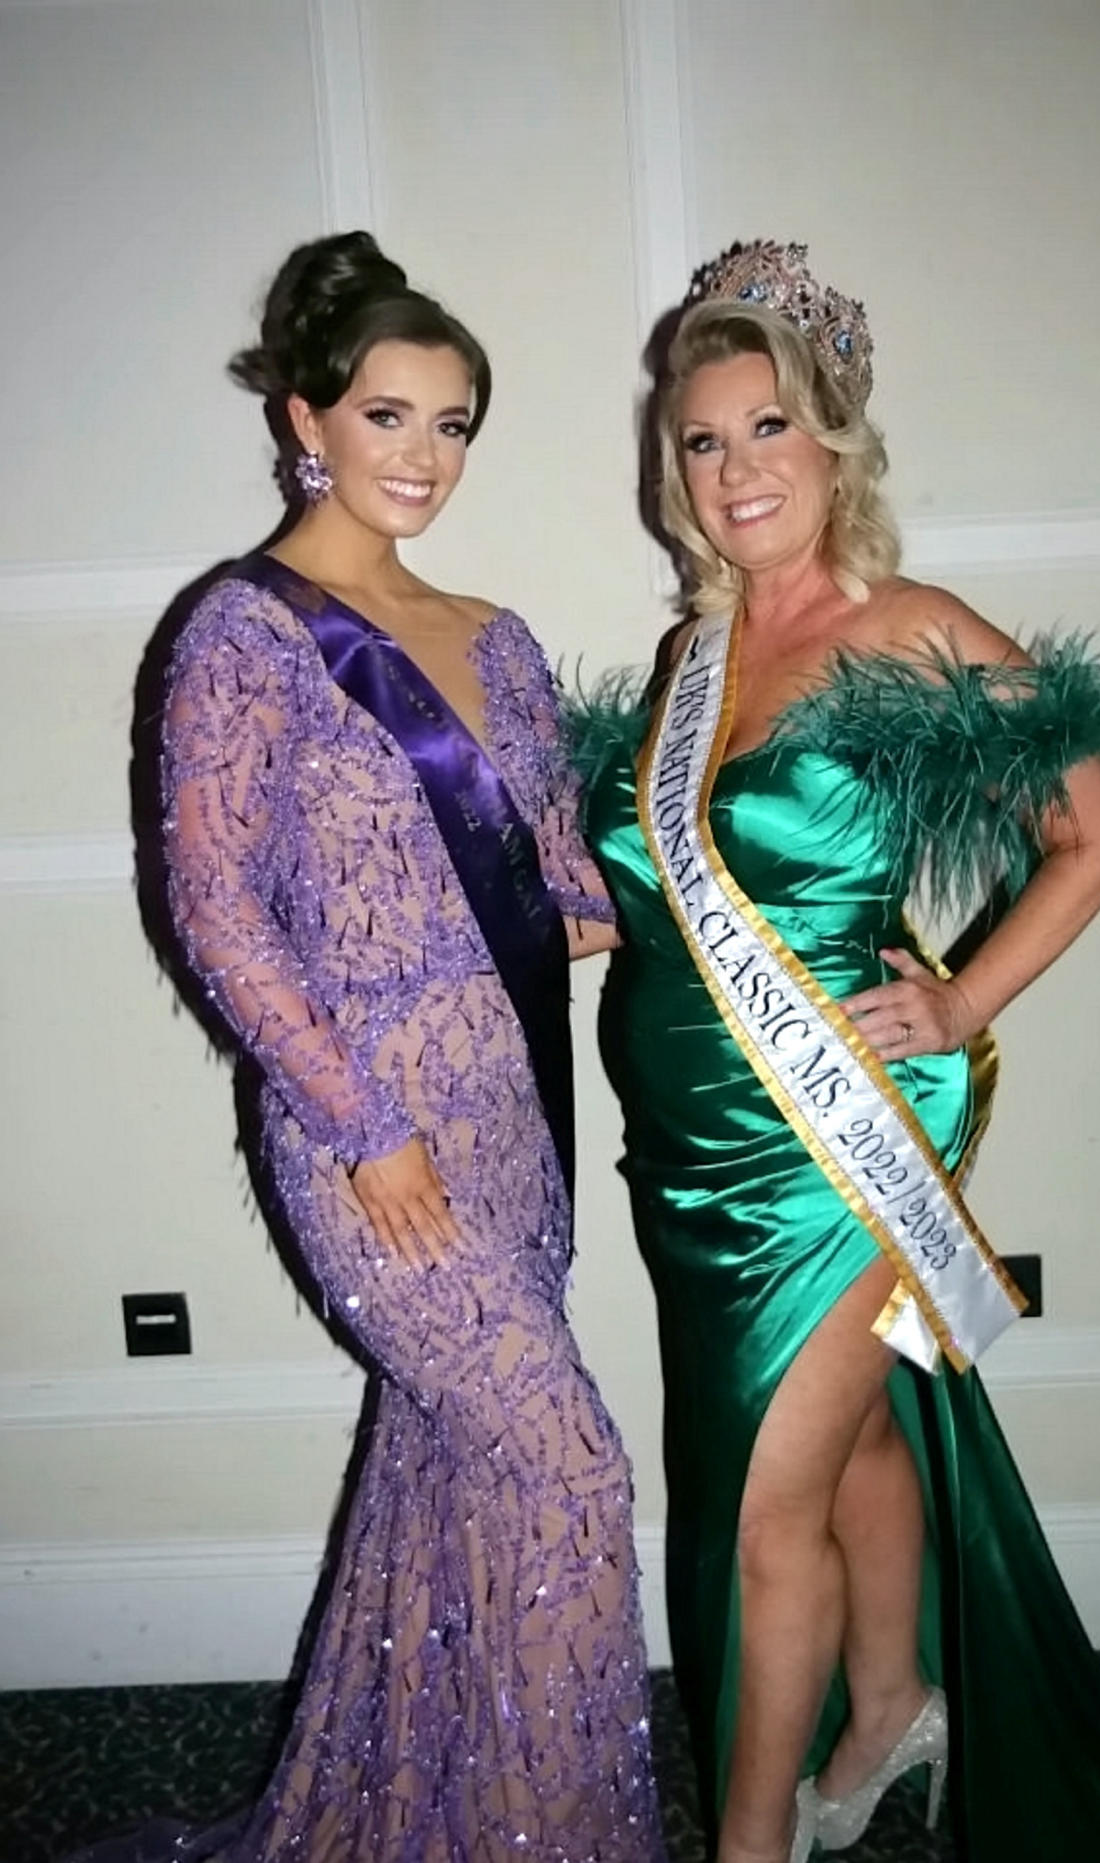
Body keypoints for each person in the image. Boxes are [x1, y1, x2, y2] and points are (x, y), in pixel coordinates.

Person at [572, 240, 1100, 1863]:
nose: (736, 470)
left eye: (768, 429)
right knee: (849, 1432)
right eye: (703, 439)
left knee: (755, 1505)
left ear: (835, 443)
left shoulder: (909, 626)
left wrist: (959, 1002)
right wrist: (613, 915)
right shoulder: (691, 656)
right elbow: (684, 878)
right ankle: (892, 1707)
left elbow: (1096, 830)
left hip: (835, 1135)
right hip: (689, 1157)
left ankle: (749, 1845)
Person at [87, 231, 666, 1863]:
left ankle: (416, 1822)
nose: (423, 455)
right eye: (390, 416)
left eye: (455, 422)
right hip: (374, 1141)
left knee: (453, 1483)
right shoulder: (242, 633)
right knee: (570, 1478)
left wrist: (680, 879)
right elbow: (213, 910)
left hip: (514, 1119)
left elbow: (556, 878)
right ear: (308, 419)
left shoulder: (496, 636)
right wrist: (361, 1121)